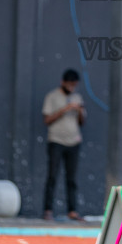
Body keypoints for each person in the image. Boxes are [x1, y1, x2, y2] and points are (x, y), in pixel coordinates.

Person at [43, 69, 86, 221]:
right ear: (63, 82)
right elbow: (47, 120)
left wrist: (79, 110)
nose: (72, 88)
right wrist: (65, 109)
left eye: (74, 85)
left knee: (72, 178)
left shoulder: (77, 97)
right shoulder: (52, 96)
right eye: (70, 84)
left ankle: (72, 210)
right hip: (56, 141)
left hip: (73, 142)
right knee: (52, 176)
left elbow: (82, 122)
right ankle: (48, 210)